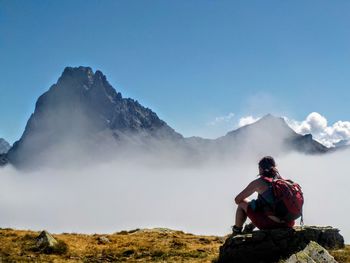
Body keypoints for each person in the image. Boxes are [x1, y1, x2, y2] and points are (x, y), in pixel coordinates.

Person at [232, 156, 295, 235]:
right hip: (289, 223)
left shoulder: (259, 182)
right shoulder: (283, 181)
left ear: (261, 168)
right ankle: (250, 227)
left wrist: (253, 203)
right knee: (264, 205)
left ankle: (236, 231)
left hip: (272, 224)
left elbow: (237, 199)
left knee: (242, 203)